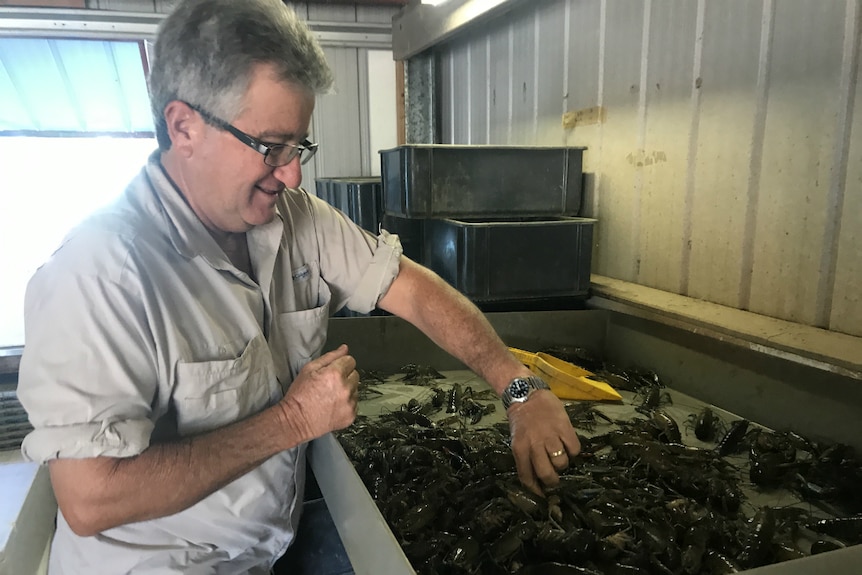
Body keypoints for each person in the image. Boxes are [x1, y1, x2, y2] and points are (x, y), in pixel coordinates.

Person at [17, 0, 581, 573]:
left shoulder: (295, 217)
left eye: (299, 146)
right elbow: (91, 498)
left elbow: (410, 288)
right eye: (270, 146)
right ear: (184, 127)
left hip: (271, 545)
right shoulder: (100, 273)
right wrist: (293, 421)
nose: (292, 173)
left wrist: (519, 388)